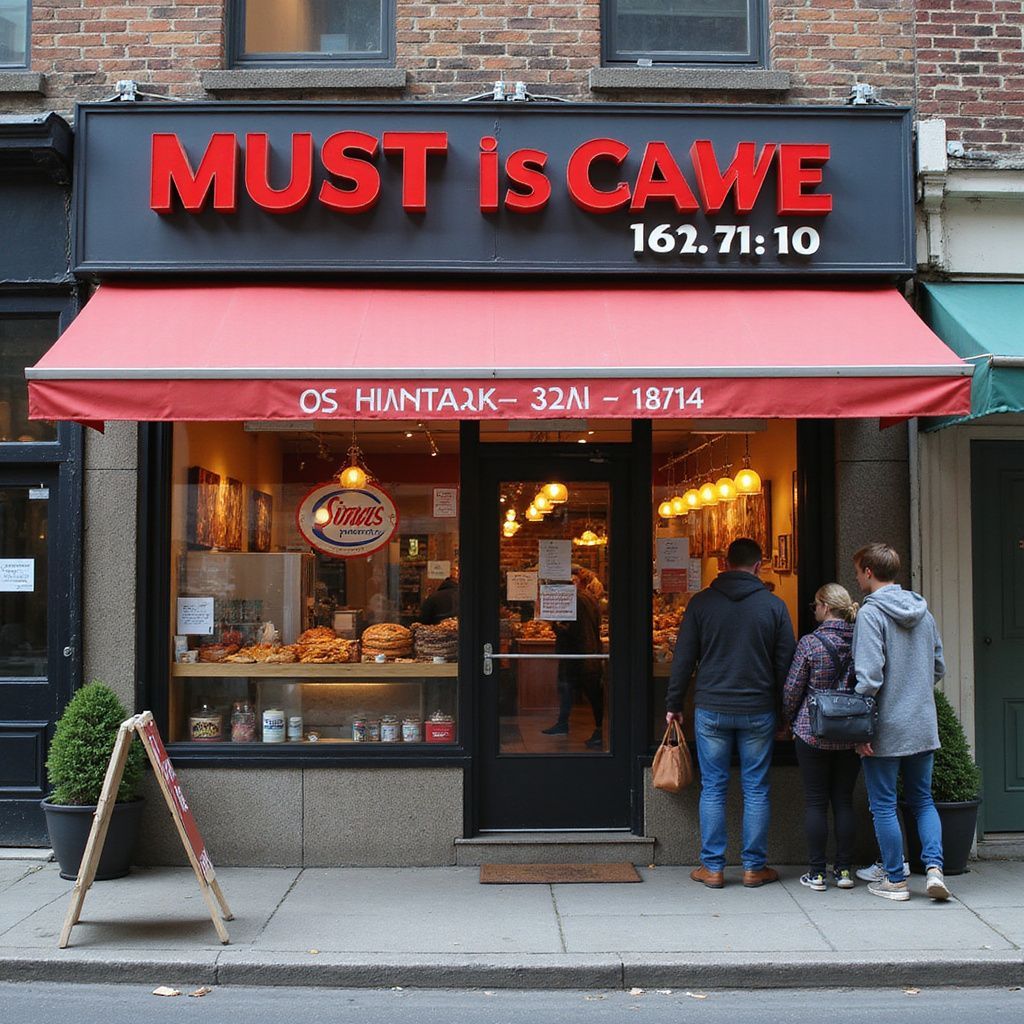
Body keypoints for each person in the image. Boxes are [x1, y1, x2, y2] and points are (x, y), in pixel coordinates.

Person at [666, 537, 796, 889]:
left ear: (724, 563)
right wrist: (786, 712)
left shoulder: (701, 604)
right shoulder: (774, 606)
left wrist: (673, 704)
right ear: (758, 565)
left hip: (712, 708)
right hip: (758, 709)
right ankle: (754, 867)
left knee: (713, 787)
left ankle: (713, 868)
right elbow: (787, 664)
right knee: (756, 788)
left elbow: (683, 658)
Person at [851, 542, 950, 902]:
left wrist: (862, 726)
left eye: (858, 570)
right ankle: (935, 869)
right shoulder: (923, 611)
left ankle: (895, 880)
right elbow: (938, 666)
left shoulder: (871, 614)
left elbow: (869, 676)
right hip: (922, 721)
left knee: (884, 804)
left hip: (885, 726)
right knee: (923, 800)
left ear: (868, 572)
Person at [783, 583, 861, 892]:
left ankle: (816, 873)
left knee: (816, 801)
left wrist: (788, 720)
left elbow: (792, 689)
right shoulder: (861, 640)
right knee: (843, 800)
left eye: (815, 605)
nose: (813, 610)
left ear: (825, 607)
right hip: (852, 731)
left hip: (812, 730)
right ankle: (843, 871)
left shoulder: (810, 643)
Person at [542, 567, 604, 748]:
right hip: (590, 652)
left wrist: (554, 625)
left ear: (579, 583)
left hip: (578, 653)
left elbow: (572, 630)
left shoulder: (576, 600)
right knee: (583, 692)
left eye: (572, 582)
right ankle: (568, 724)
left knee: (576, 690)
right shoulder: (590, 599)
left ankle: (597, 731)